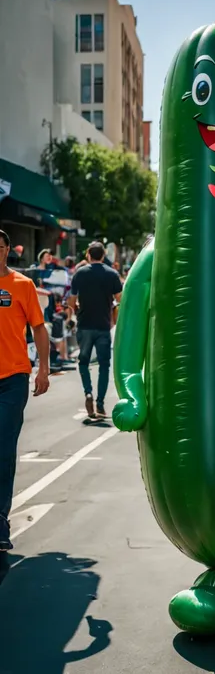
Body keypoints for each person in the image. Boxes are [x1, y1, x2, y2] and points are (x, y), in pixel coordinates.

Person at [0, 230, 50, 551]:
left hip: (12, 379)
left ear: (6, 250)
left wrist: (44, 368)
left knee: (3, 450)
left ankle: (0, 520)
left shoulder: (22, 285)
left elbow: (38, 327)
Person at [68, 242, 122, 418]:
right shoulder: (112, 274)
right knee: (104, 366)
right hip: (103, 326)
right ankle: (100, 404)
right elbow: (120, 298)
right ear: (103, 255)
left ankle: (88, 392)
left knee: (83, 363)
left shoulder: (79, 273)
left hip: (84, 325)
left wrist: (76, 308)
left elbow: (71, 301)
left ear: (88, 255)